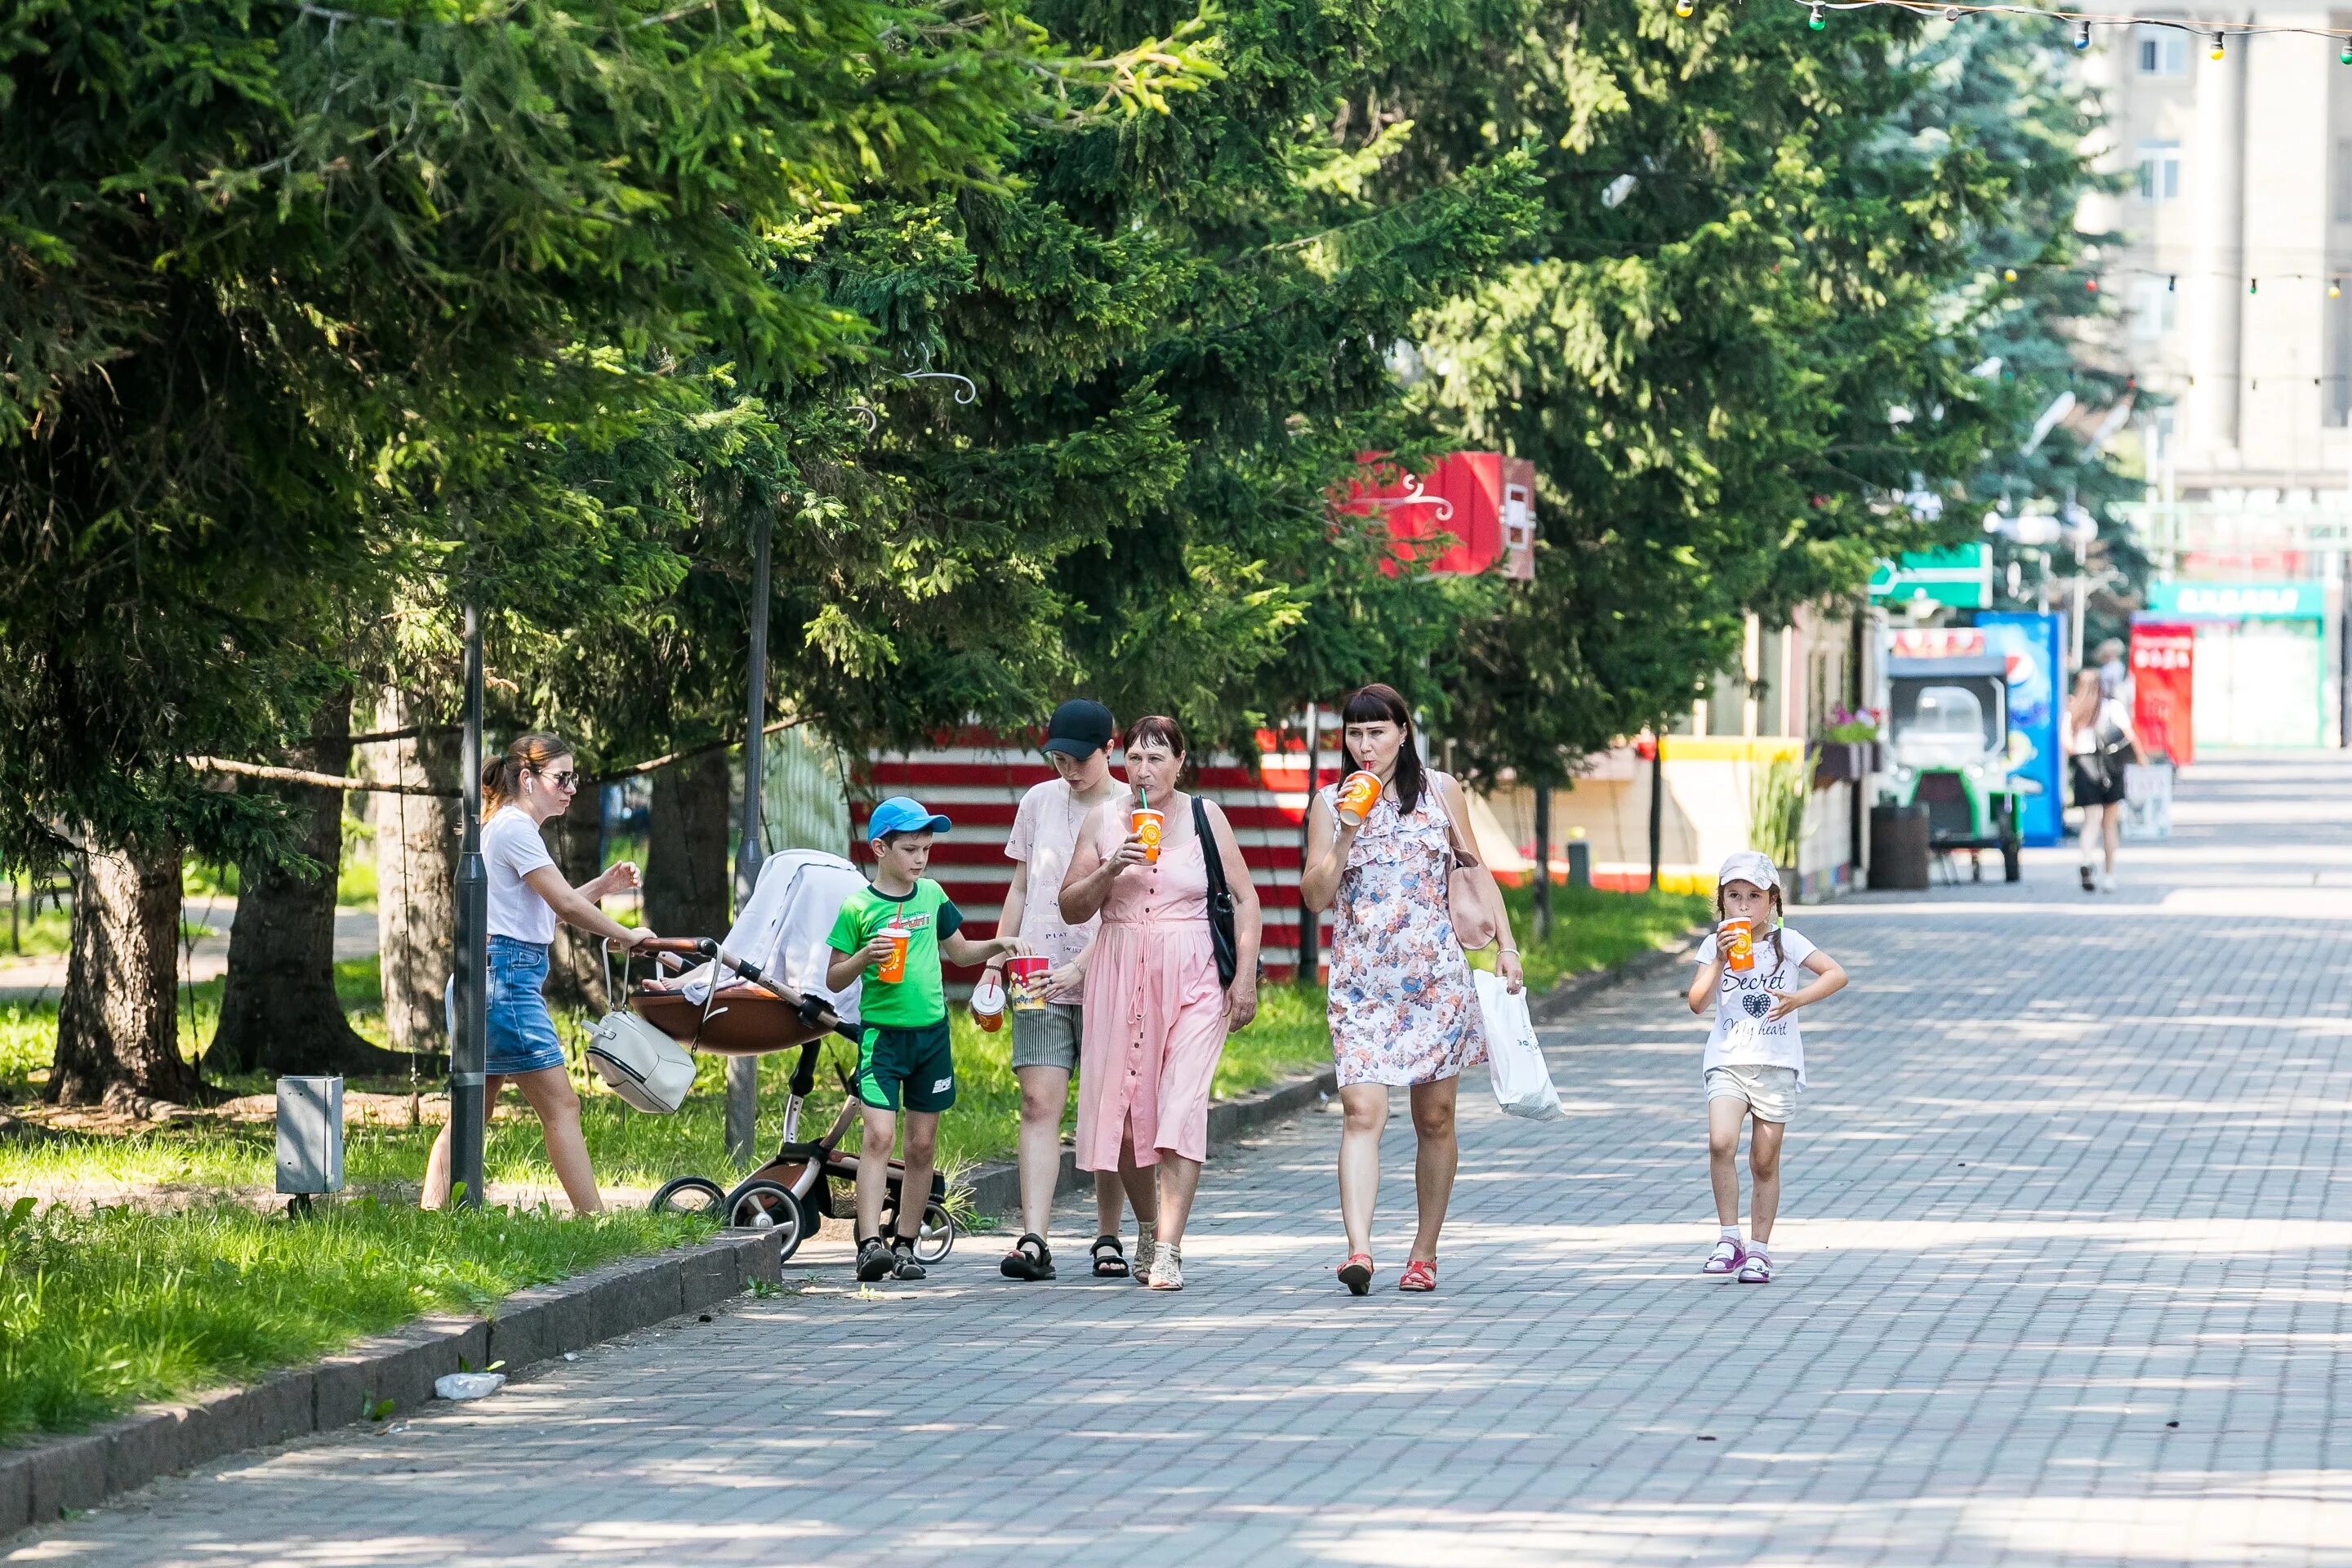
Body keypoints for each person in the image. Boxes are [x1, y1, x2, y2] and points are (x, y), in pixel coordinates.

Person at [1299, 683, 1521, 1296]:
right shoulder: (1328, 801)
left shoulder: (1441, 792)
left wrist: (1507, 946)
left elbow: (1475, 870)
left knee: (1436, 1117)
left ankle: (1424, 1252)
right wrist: (1346, 830)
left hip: (1435, 980)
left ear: (1403, 732)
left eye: (1377, 732)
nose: (1365, 745)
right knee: (1361, 1111)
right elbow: (1316, 897)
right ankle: (1359, 1250)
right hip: (1361, 982)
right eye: (1354, 733)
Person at [1058, 715, 1262, 1291]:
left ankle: (1169, 1247)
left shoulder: (1206, 817)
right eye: (1135, 759)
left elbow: (1245, 902)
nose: (1144, 770)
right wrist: (1109, 866)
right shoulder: (1102, 820)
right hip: (1120, 972)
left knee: (1179, 1107)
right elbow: (1071, 906)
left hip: (1194, 973)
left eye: (1157, 758)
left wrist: (1243, 979)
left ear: (1179, 762)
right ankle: (1147, 1225)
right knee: (1124, 1123)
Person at [422, 733, 653, 1214]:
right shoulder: (514, 829)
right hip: (503, 981)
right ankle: (595, 1220)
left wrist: (604, 885)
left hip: (486, 976)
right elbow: (563, 903)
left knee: (472, 1111)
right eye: (562, 778)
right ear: (527, 779)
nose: (571, 788)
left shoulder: (508, 826)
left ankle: (432, 1214)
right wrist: (629, 935)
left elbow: (553, 910)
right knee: (563, 1105)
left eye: (575, 779)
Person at [826, 796, 1023, 1283]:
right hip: (882, 1038)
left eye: (927, 850)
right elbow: (833, 979)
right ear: (880, 848)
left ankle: (907, 1244)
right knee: (879, 1136)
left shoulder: (932, 896)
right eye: (911, 849)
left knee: (921, 1146)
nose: (920, 859)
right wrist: (862, 958)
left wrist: (999, 945)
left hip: (932, 1038)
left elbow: (958, 954)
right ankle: (869, 1243)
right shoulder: (858, 906)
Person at [996, 699, 1155, 1283]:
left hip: (1108, 971)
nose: (1068, 769)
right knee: (1038, 1103)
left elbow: (1136, 905)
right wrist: (997, 957)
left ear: (1110, 749)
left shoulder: (1134, 810)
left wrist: (1084, 967)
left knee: (1107, 1109)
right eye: (1059, 758)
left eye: (1079, 759)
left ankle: (1109, 1235)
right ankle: (1034, 1238)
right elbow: (1021, 886)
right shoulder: (1038, 801)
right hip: (1035, 969)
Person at [1686, 851, 1846, 1285]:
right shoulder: (1713, 944)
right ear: (1722, 902)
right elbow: (1697, 1002)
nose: (1743, 906)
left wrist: (1799, 999)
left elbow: (1836, 974)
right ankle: (1727, 1238)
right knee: (1721, 1142)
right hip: (1727, 1059)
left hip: (1776, 1063)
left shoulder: (1788, 942)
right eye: (1733, 896)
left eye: (1753, 896)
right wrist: (1719, 960)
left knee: (1764, 1160)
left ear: (1771, 901)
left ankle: (1759, 1250)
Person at [2065, 665, 2144, 893]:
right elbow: (2129, 735)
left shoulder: (2073, 711)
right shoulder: (2112, 707)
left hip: (2085, 766)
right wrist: (2141, 761)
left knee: (2090, 821)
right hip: (2111, 767)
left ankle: (2086, 861)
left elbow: (2068, 745)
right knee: (2109, 824)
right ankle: (2109, 876)